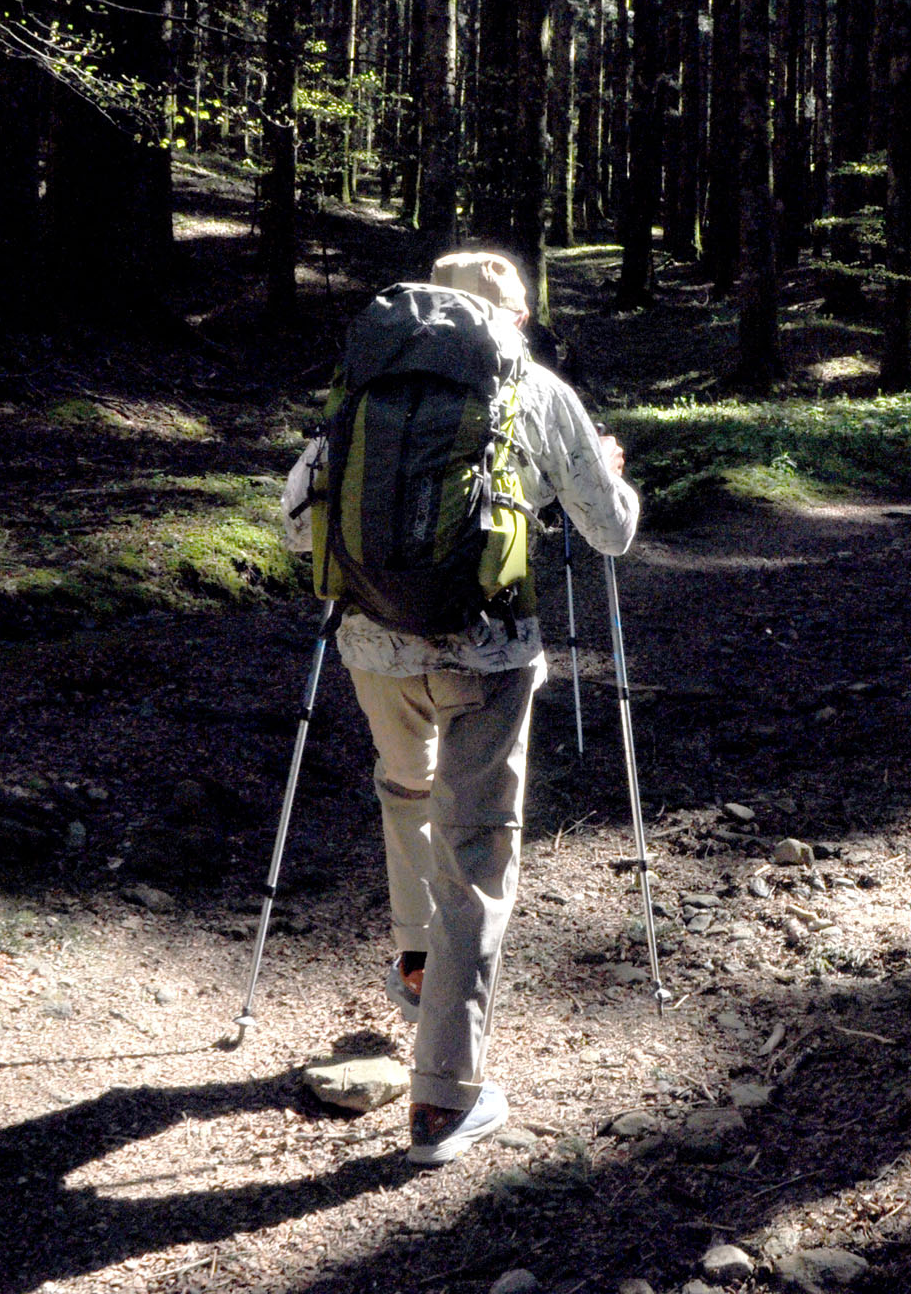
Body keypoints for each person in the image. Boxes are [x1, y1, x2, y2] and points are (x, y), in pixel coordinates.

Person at [282, 251, 640, 1166]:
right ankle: (444, 1099)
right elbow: (611, 531)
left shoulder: (369, 379)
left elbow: (297, 515)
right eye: (521, 313)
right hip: (488, 649)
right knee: (476, 853)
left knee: (405, 789)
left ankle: (414, 961)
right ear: (509, 317)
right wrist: (605, 470)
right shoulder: (537, 385)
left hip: (370, 644)